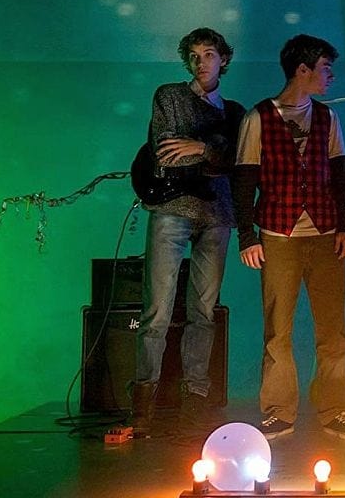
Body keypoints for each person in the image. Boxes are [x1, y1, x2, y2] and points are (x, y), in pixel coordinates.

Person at [230, 34, 345, 441]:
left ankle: (336, 409)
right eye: (324, 68)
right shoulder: (258, 118)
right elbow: (244, 179)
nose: (330, 75)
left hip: (325, 235)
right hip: (277, 236)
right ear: (302, 70)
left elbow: (341, 178)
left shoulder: (327, 118)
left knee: (333, 331)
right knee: (277, 331)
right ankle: (278, 411)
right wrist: (247, 236)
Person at [132, 27, 245, 438]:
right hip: (171, 209)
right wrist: (213, 154)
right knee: (156, 310)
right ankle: (143, 400)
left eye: (209, 54)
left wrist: (199, 148)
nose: (201, 62)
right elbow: (165, 154)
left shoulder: (235, 113)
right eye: (195, 56)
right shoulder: (169, 96)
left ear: (223, 60)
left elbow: (240, 161)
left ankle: (195, 398)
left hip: (217, 213)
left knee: (204, 311)